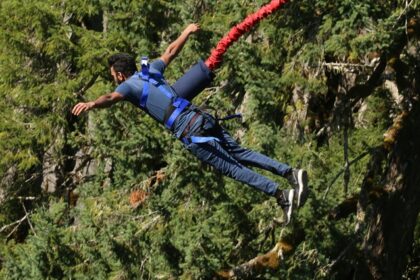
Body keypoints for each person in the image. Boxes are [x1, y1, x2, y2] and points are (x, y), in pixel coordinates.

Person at [72, 23, 308, 225]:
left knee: (232, 168)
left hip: (188, 129)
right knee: (240, 153)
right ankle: (290, 173)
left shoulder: (127, 86)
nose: (114, 81)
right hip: (200, 116)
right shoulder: (149, 70)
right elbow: (170, 52)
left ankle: (282, 195)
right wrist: (186, 32)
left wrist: (92, 103)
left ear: (120, 76)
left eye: (113, 76)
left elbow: (111, 98)